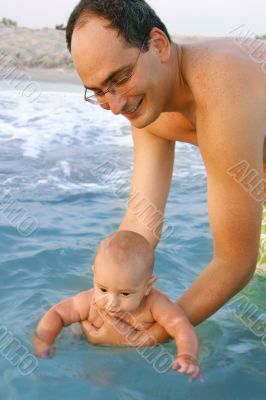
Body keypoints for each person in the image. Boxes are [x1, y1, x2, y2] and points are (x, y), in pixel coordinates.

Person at [65, 0, 266, 345]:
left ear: (158, 44)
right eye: (98, 92)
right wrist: (102, 306)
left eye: (120, 78)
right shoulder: (147, 106)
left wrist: (146, 338)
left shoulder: (221, 83)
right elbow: (141, 224)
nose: (114, 106)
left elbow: (234, 261)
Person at [33, 231, 203, 382]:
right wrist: (44, 341)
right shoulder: (89, 300)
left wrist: (187, 355)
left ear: (147, 287)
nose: (111, 302)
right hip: (87, 346)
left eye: (125, 293)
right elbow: (57, 313)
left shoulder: (155, 304)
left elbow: (180, 325)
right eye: (103, 289)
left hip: (130, 355)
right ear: (94, 274)